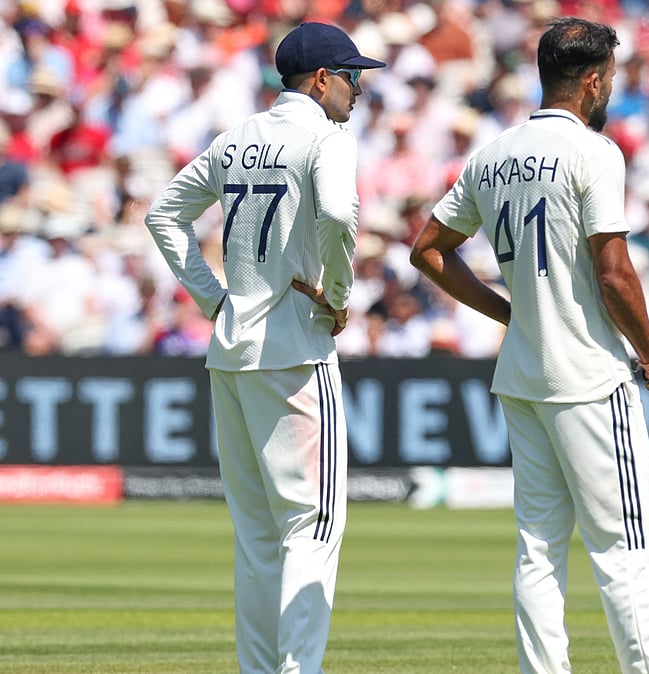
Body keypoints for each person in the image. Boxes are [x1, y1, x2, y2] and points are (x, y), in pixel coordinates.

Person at [409, 17, 649, 674]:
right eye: (609, 77)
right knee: (625, 553)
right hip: (590, 376)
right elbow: (614, 272)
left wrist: (510, 313)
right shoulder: (595, 151)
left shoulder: (492, 153)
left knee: (538, 549)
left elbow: (427, 252)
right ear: (591, 79)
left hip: (525, 376)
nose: (610, 87)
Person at [143, 22, 384, 674]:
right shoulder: (328, 139)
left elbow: (163, 214)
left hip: (231, 348)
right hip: (298, 349)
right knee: (313, 525)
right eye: (353, 77)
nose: (361, 90)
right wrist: (338, 293)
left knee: (257, 537)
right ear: (322, 79)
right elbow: (337, 215)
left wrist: (212, 299)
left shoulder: (236, 138)